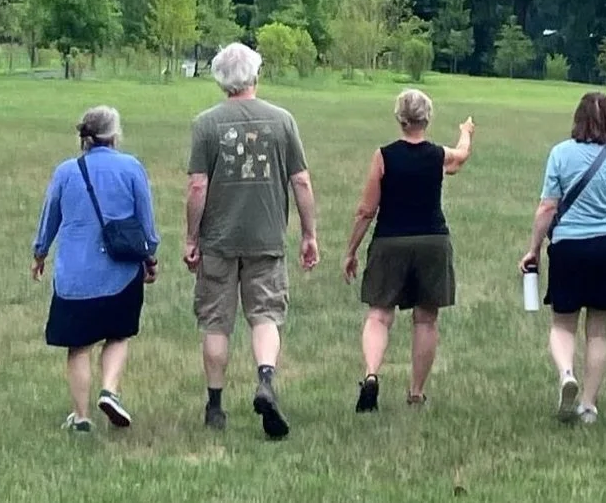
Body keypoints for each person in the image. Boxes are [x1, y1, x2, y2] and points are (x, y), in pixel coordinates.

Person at [184, 41, 319, 440]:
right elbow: (301, 180)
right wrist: (309, 233)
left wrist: (192, 237)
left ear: (221, 79)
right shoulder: (282, 120)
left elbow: (197, 186)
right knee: (265, 314)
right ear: (255, 74)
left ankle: (214, 405)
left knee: (215, 321)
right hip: (266, 237)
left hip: (219, 240)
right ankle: (265, 380)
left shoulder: (205, 124)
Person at [343, 89, 474, 411]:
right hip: (432, 241)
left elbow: (366, 210)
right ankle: (416, 392)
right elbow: (460, 156)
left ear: (400, 119)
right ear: (427, 118)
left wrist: (351, 250)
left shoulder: (384, 156)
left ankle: (372, 374)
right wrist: (465, 132)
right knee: (426, 319)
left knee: (378, 315)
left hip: (390, 241)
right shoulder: (437, 155)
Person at [518, 91, 606, 425]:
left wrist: (533, 249)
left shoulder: (559, 154)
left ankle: (566, 374)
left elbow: (547, 207)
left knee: (562, 323)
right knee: (599, 332)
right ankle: (588, 404)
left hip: (569, 247)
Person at [32, 106, 160, 433]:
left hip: (74, 277)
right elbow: (145, 221)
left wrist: (40, 253)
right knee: (118, 335)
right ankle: (110, 390)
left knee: (78, 346)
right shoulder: (131, 168)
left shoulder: (65, 171)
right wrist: (150, 256)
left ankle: (81, 417)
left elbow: (51, 217)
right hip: (122, 273)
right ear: (114, 135)